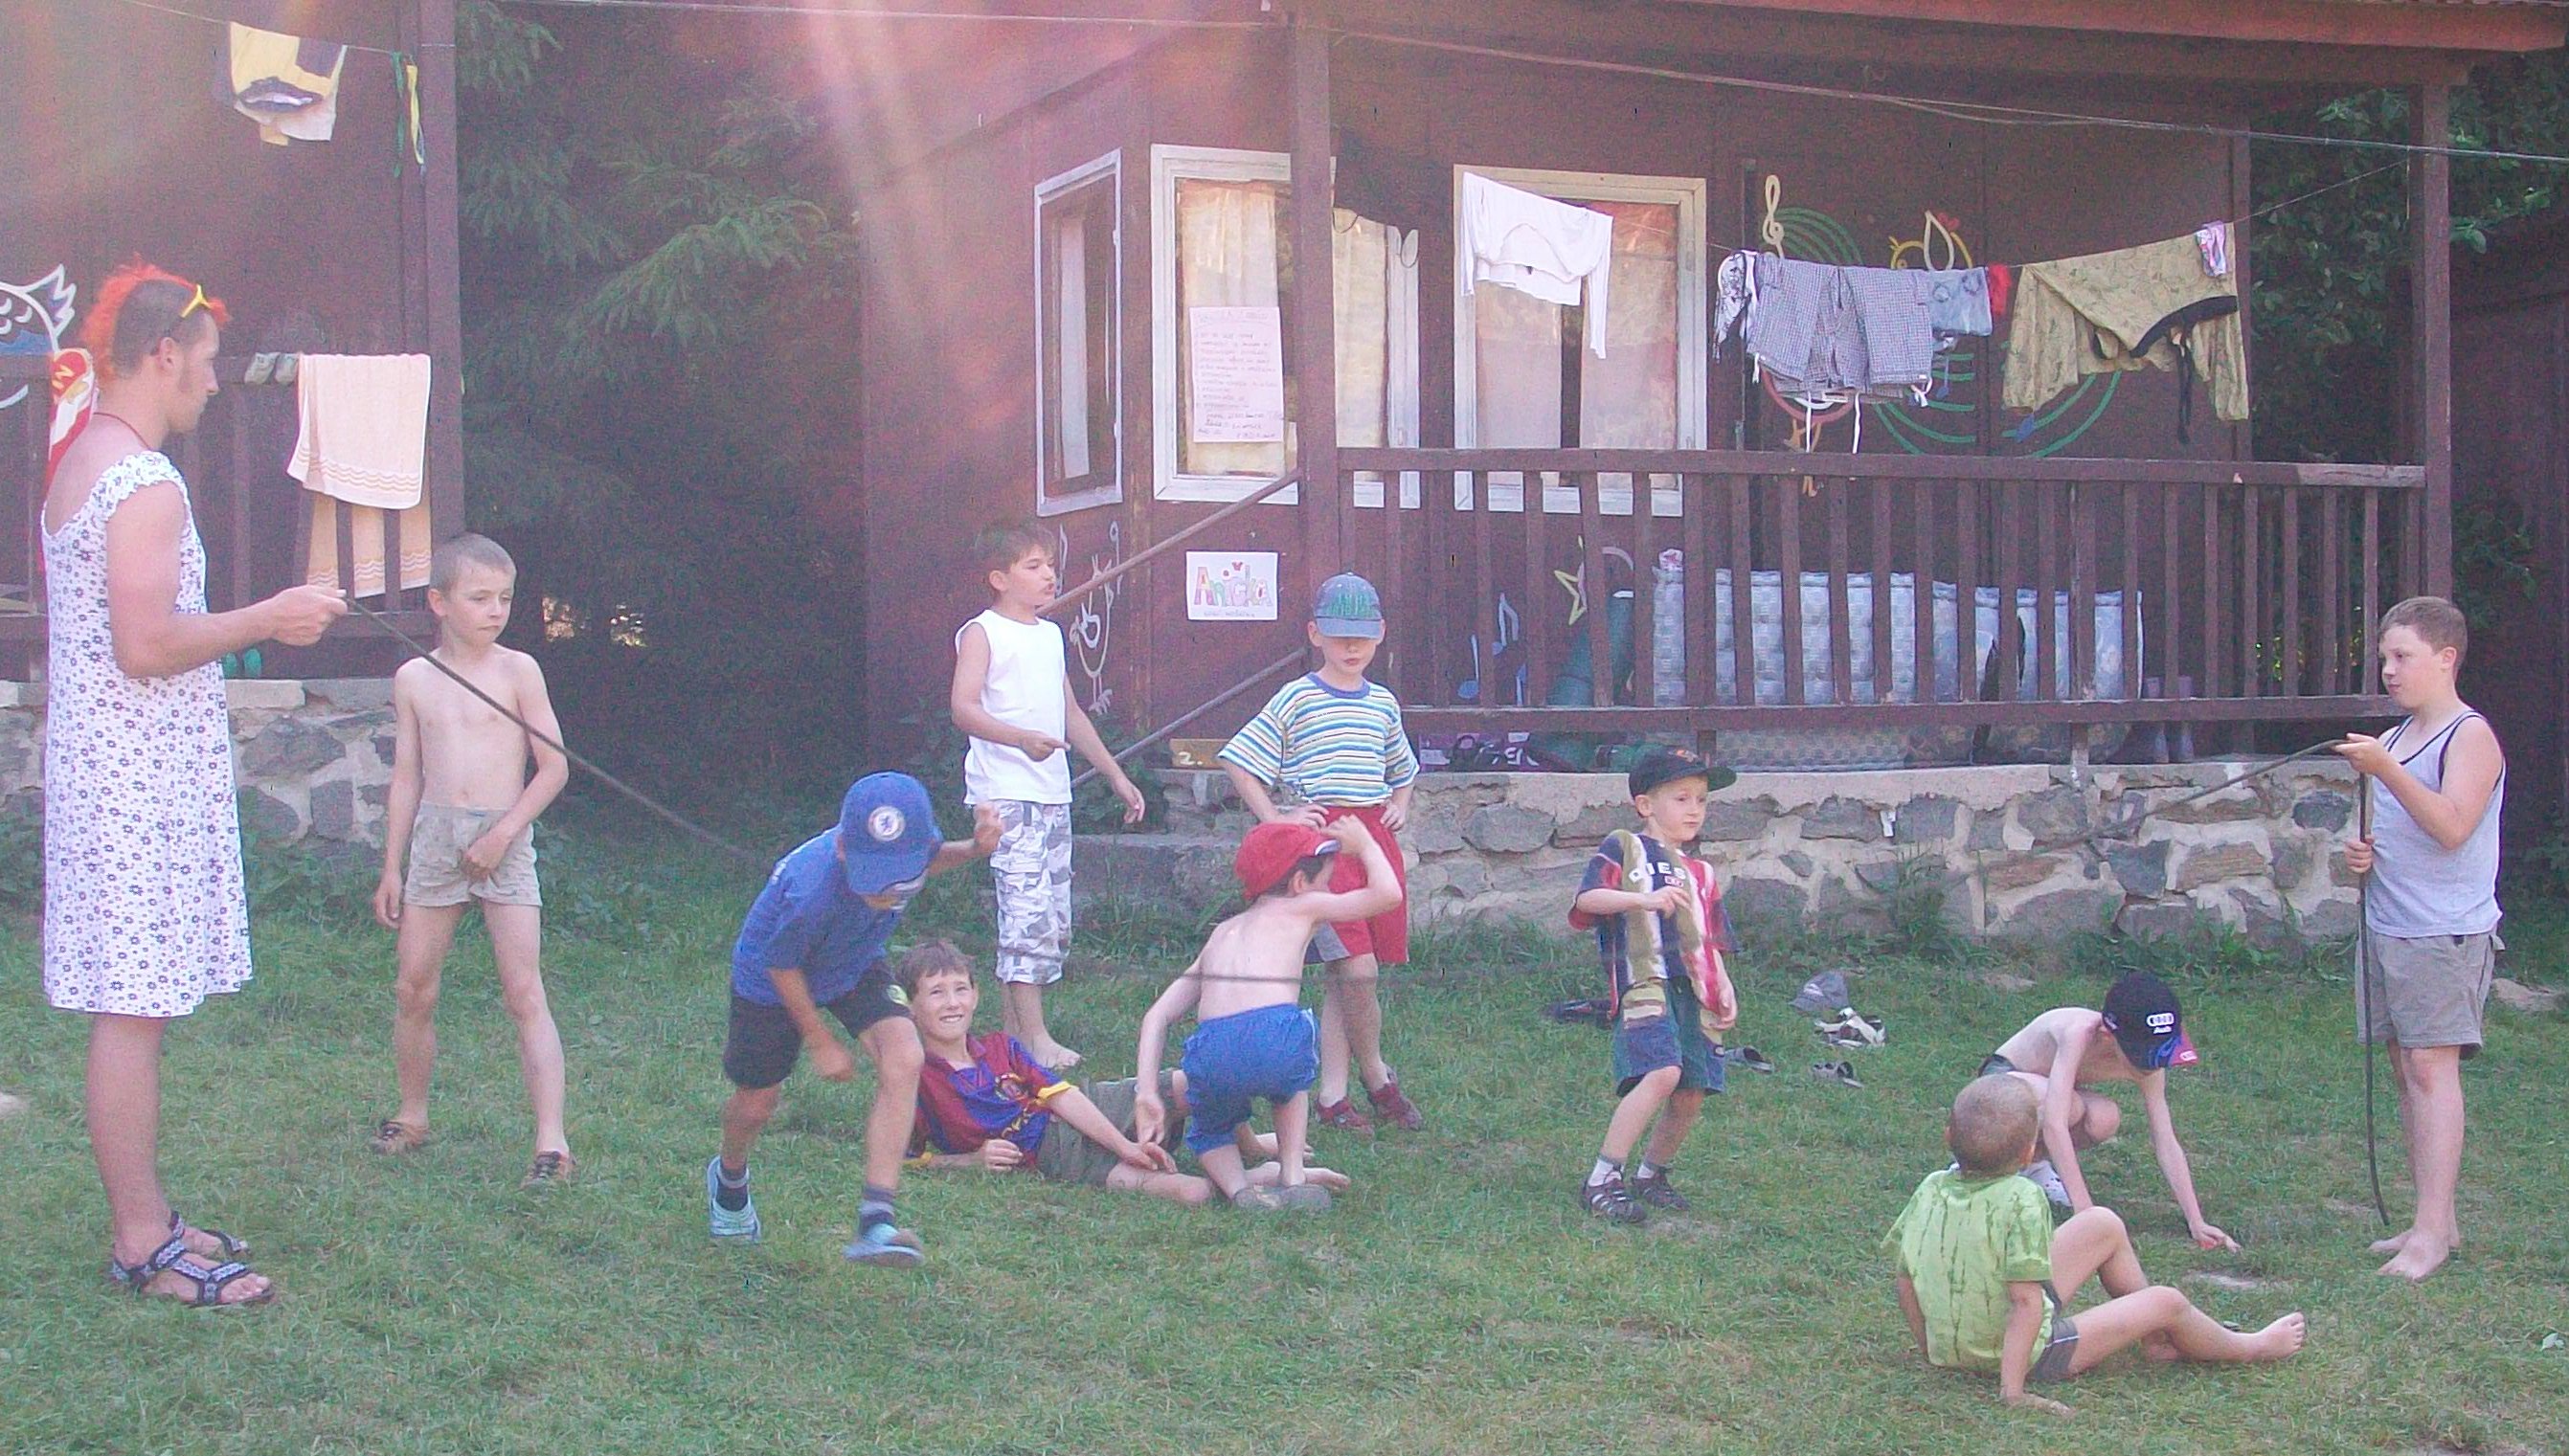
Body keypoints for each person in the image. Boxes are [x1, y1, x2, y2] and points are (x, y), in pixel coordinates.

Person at [42, 263, 346, 1307]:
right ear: (164, 354)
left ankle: (151, 1214)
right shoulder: (144, 481)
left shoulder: (83, 458)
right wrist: (271, 617)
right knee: (132, 1013)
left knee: (134, 1010)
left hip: (111, 773)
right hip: (129, 784)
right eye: (209, 362)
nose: (216, 384)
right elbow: (145, 644)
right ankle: (142, 1242)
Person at [706, 773, 1000, 1265]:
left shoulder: (914, 852)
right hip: (774, 978)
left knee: (905, 1055)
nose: (885, 893)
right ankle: (729, 1177)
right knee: (758, 1103)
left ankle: (875, 1221)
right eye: (873, 879)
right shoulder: (810, 891)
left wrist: (974, 849)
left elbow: (931, 861)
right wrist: (820, 1040)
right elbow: (783, 965)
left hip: (853, 961)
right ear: (843, 849)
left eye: (897, 878)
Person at [1886, 1076, 2306, 1417]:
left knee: (2102, 1223)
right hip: (2023, 1353)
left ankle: (2157, 1340)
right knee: (2168, 1301)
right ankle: (2251, 1346)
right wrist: (2013, 1391)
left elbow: (1905, 1278)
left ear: (1948, 1136)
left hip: (1959, 1343)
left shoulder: (1931, 1186)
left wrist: (1936, 1350)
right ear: (2030, 1153)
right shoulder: (2022, 1198)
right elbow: (2025, 1301)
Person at [367, 533, 575, 1185]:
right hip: (436, 839)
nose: (496, 611)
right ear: (439, 602)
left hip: (503, 837)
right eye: (479, 598)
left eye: (504, 598)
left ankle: (552, 1143)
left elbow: (554, 768)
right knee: (413, 986)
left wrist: (504, 833)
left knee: (523, 989)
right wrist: (393, 865)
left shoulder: (519, 671)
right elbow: (407, 776)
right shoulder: (414, 679)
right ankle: (411, 1115)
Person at [898, 940, 1347, 1204]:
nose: (952, 1003)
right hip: (1056, 1155)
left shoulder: (1001, 1047)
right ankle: (1260, 1178)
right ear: (911, 1007)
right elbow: (903, 1158)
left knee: (1194, 1082)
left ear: (976, 996)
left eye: (960, 989)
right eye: (936, 993)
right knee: (1194, 1194)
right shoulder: (916, 1082)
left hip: (1091, 1107)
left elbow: (1063, 1096)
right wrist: (969, 1161)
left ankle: (1247, 1145)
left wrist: (1124, 1144)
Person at [2336, 594, 2504, 1283]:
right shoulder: (2399, 737)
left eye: (2402, 656)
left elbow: (2453, 826)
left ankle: (2431, 1236)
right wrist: (2363, 856)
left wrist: (2385, 770)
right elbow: (2403, 832)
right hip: (2389, 924)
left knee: (2433, 1070)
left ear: (2445, 658)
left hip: (2443, 932)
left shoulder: (2469, 736)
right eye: (2384, 657)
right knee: (2407, 1070)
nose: (2388, 670)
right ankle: (2433, 1219)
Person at [1217, 571, 1423, 1133]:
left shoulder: (1383, 703)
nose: (1351, 647)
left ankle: (1333, 1094)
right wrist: (1277, 820)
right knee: (1356, 967)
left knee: (1347, 975)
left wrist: (1399, 805)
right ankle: (1377, 1074)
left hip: (1371, 841)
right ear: (1314, 635)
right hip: (1324, 851)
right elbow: (1239, 758)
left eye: (1362, 636)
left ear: (1380, 634)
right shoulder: (1298, 697)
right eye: (1338, 636)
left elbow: (1403, 767)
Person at [949, 522, 1145, 1071]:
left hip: (1052, 795)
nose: (1048, 576)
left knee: (1052, 918)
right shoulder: (983, 632)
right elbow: (963, 707)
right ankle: (1036, 1040)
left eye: (1050, 566)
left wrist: (1114, 775)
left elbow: (1071, 713)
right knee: (1026, 914)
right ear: (999, 578)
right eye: (1033, 566)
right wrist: (1020, 740)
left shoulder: (1051, 635)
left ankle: (1011, 1038)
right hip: (1005, 796)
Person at [1131, 818, 1400, 1211]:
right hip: (1274, 1034)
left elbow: (1156, 1016)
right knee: (1290, 1083)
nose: (1328, 892)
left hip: (1211, 1049)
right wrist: (1366, 845)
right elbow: (1387, 895)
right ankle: (1292, 1177)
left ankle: (1240, 1190)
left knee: (1211, 1128)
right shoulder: (1302, 907)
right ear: (1299, 884)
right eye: (1326, 883)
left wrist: (1147, 1093)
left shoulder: (1222, 932)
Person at [1567, 748, 1738, 1223]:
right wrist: (1641, 899)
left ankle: (1651, 1174)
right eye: (1681, 798)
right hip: (1645, 982)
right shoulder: (1624, 846)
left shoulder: (1702, 873)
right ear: (1645, 805)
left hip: (1695, 991)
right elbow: (1588, 899)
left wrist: (1724, 985)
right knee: (1662, 1072)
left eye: (1701, 800)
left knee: (1692, 1088)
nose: (1694, 810)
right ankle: (1602, 1179)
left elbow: (1711, 938)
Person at [1978, 973, 2235, 1251]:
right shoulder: (2078, 1033)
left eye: (2159, 1050)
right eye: (2141, 1052)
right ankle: (1980, 1159)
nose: (2152, 1064)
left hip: (2045, 1092)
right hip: (1995, 1088)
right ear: (2108, 1034)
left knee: (2104, 1118)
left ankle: (2033, 1166)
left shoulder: (2151, 1060)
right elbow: (2054, 1124)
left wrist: (2196, 1220)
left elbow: (2165, 1138)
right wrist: (2086, 1214)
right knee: (2071, 1109)